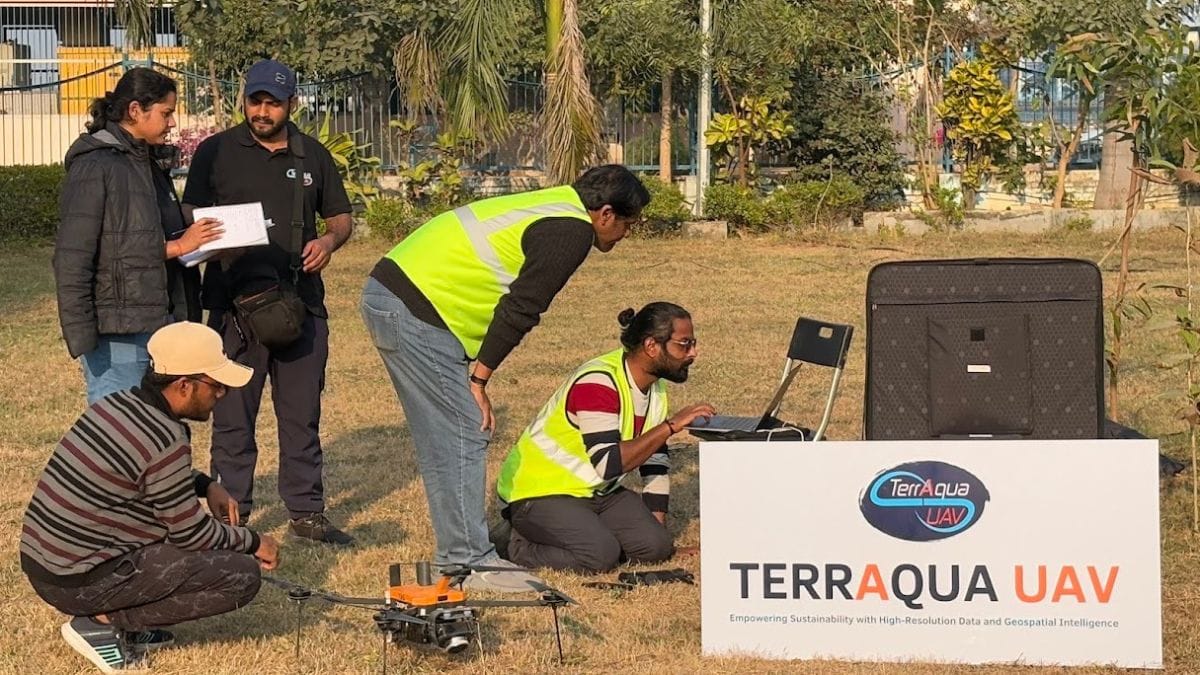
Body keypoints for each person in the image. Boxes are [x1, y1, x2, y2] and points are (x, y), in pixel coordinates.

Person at [360, 165, 650, 591]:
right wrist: (478, 380)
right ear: (605, 213)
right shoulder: (571, 230)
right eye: (629, 223)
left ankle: (465, 553)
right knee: (463, 428)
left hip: (397, 296)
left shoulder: (553, 205)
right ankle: (468, 562)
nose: (626, 234)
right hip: (416, 308)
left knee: (448, 433)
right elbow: (522, 307)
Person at [20, 322, 279, 673]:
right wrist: (253, 541)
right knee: (241, 575)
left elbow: (144, 477)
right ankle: (102, 623)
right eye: (216, 386)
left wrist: (205, 485)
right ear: (184, 385)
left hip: (47, 566)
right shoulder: (164, 437)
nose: (222, 395)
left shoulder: (121, 404)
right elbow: (192, 534)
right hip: (77, 581)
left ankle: (117, 620)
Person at [182, 59, 354, 545]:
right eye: (255, 101)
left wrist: (328, 242)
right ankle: (231, 515)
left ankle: (306, 513)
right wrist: (210, 231)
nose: (261, 111)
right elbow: (189, 208)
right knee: (233, 418)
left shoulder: (313, 155)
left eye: (272, 103)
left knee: (302, 417)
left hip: (301, 306)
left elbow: (341, 216)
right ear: (245, 100)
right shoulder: (216, 152)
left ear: (291, 105)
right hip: (235, 309)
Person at [494, 303, 714, 573]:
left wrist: (660, 539)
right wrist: (670, 426)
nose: (694, 353)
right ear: (651, 346)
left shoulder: (655, 387)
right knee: (600, 556)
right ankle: (511, 545)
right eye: (685, 344)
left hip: (597, 492)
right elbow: (609, 464)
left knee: (655, 548)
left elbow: (655, 460)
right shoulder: (597, 383)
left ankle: (594, 534)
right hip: (540, 493)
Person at [54, 67, 224, 404]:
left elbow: (148, 234)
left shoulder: (146, 163)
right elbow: (74, 257)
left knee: (153, 432)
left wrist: (200, 245)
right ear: (135, 111)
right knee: (117, 434)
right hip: (117, 332)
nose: (172, 122)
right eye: (166, 113)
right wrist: (82, 334)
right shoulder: (96, 166)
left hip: (160, 321)